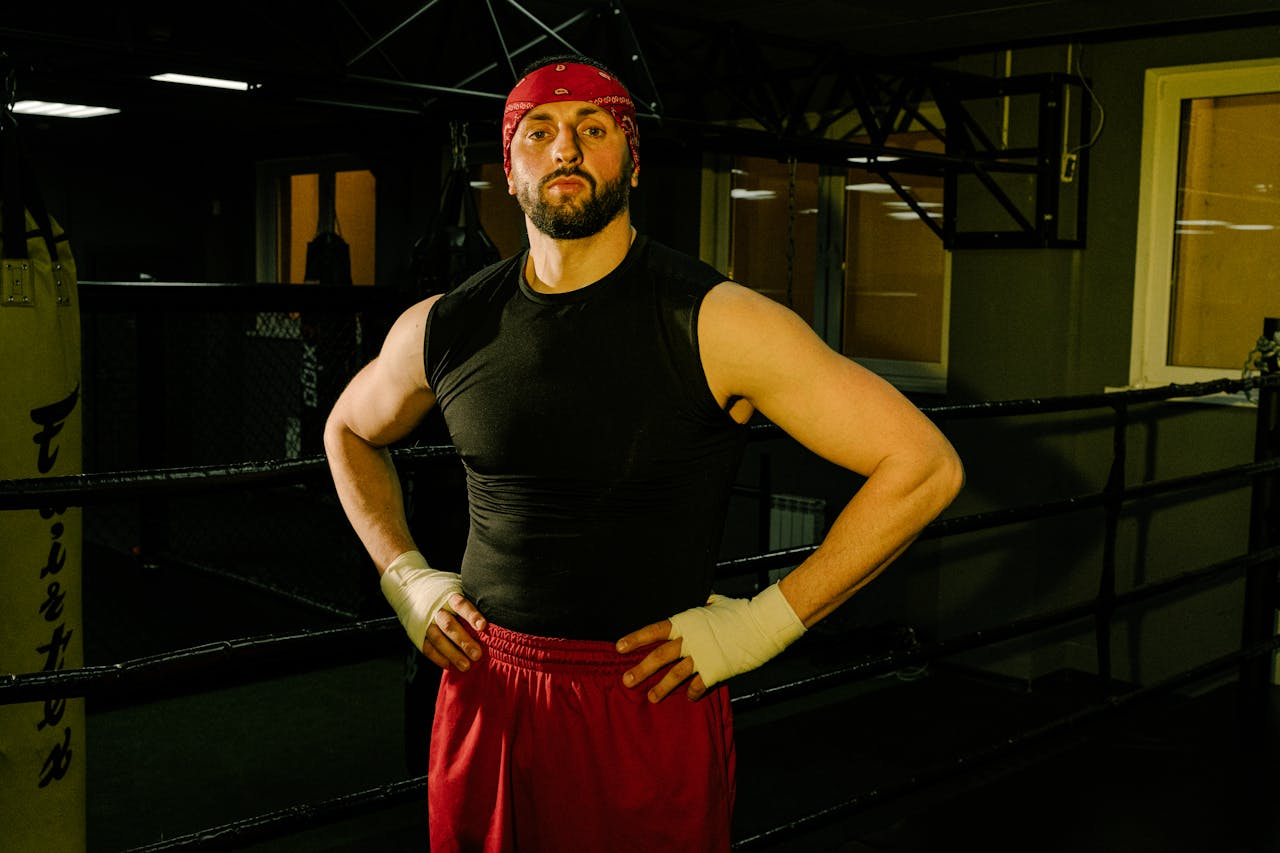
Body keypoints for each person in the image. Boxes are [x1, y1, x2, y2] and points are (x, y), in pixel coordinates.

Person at [324, 54, 964, 852]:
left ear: (631, 160)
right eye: (540, 131)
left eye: (593, 129)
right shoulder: (445, 324)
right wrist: (405, 576)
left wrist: (765, 622)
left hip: (640, 692)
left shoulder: (717, 320)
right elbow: (347, 430)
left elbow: (924, 465)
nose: (566, 149)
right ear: (509, 166)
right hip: (486, 685)